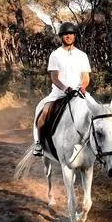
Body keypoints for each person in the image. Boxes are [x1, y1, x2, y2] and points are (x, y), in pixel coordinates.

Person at [32, 22, 91, 156]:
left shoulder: (82, 55)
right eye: (65, 34)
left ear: (75, 36)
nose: (68, 36)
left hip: (78, 93)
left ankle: (98, 147)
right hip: (59, 93)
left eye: (70, 33)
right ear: (61, 37)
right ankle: (39, 144)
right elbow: (54, 77)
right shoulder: (55, 55)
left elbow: (86, 77)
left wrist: (82, 87)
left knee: (99, 111)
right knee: (44, 113)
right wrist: (65, 89)